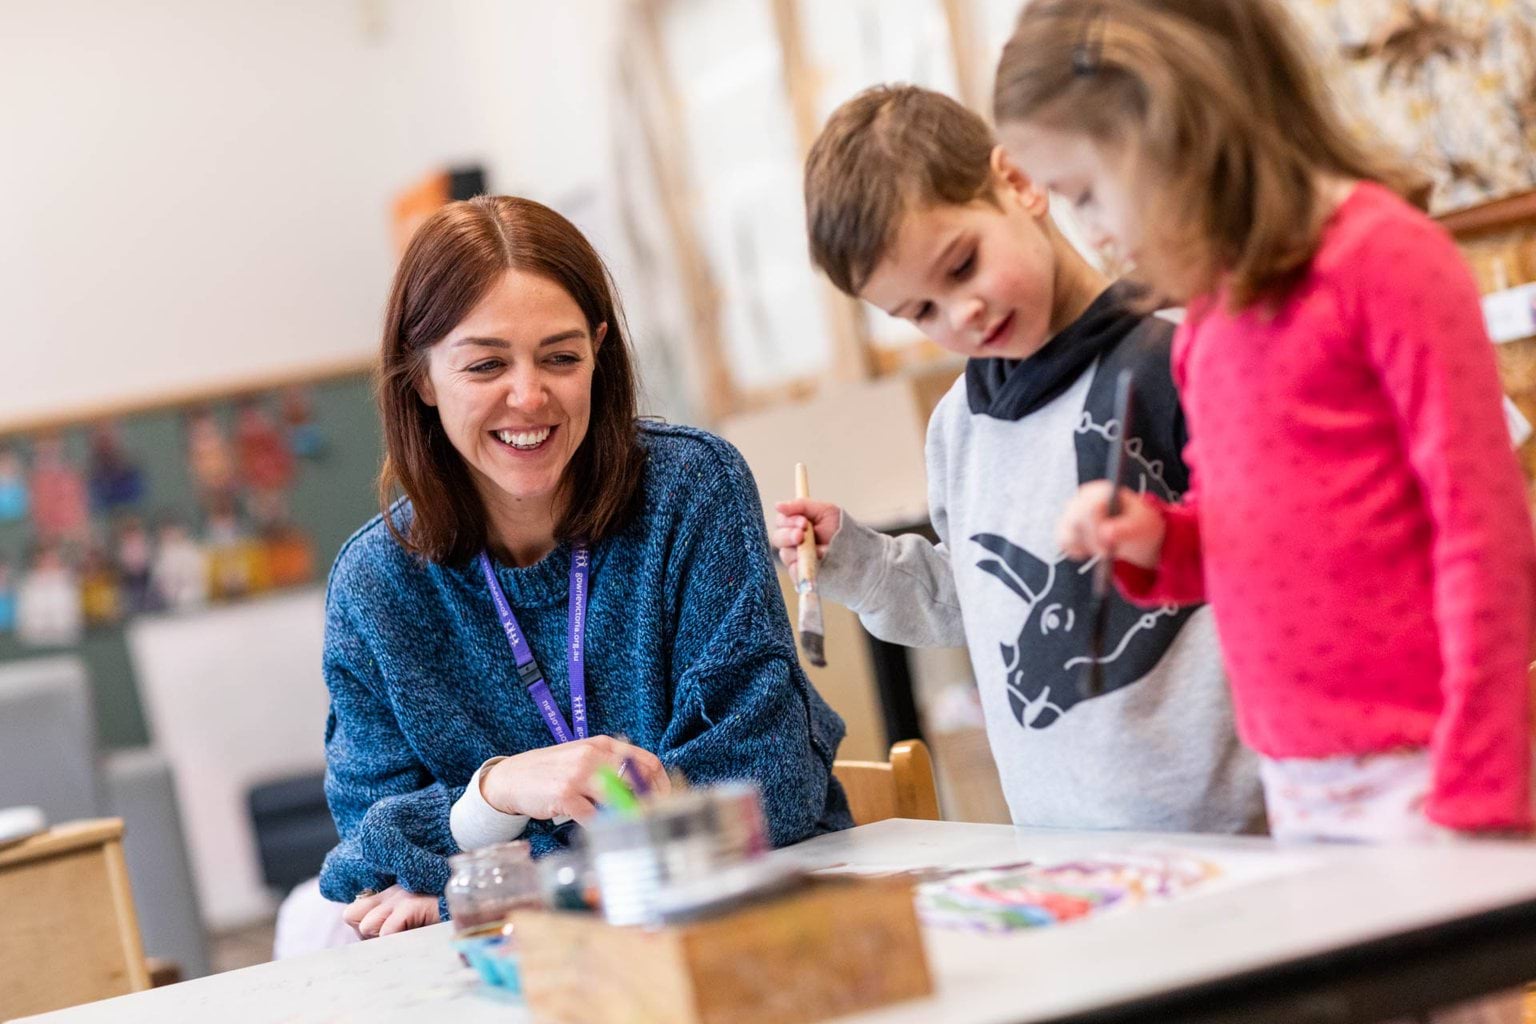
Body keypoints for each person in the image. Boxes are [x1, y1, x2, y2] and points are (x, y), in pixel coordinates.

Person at [1001, 5, 1533, 1019]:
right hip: (1297, 775)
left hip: (1428, 770)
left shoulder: (1384, 258)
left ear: (1170, 127)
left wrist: (1479, 778)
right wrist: (1161, 538)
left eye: (1086, 189)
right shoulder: (1207, 323)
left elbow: (1487, 532)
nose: (1096, 231)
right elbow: (1252, 535)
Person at [318, 195, 851, 938]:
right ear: (422, 378)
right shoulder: (375, 585)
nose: (530, 396)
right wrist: (498, 791)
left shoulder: (692, 490)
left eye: (561, 358)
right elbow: (366, 865)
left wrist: (512, 875)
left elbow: (772, 782)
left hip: (744, 930)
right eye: (485, 364)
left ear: (599, 353)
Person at [776, 84, 1262, 835]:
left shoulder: (1177, 355)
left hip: (1234, 836)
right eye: (921, 313)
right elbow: (978, 607)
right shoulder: (958, 426)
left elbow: (1275, 560)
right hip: (1063, 852)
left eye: (963, 265)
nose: (960, 315)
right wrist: (860, 561)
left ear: (1020, 184)